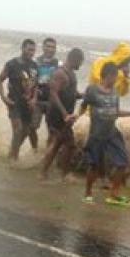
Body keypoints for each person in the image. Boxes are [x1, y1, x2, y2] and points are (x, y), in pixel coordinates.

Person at [79, 62, 130, 206]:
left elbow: (115, 111)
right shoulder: (92, 90)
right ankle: (88, 193)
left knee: (123, 161)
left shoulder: (114, 91)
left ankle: (114, 194)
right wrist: (76, 117)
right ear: (108, 75)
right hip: (97, 133)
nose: (116, 79)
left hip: (112, 132)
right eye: (115, 76)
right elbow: (84, 106)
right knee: (94, 165)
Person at [39, 48, 84, 181]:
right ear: (74, 59)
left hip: (65, 116)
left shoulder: (71, 74)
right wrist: (65, 114)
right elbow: (53, 94)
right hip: (57, 115)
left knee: (64, 144)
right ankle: (47, 173)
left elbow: (71, 93)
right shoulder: (60, 73)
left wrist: (84, 95)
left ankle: (58, 173)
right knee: (59, 143)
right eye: (80, 62)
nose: (80, 65)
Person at [0, 39, 39, 160]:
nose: (32, 52)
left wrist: (34, 98)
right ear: (22, 48)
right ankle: (13, 158)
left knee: (26, 131)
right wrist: (3, 97)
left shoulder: (34, 66)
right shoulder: (12, 64)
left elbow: (36, 85)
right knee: (18, 129)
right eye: (29, 49)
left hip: (28, 104)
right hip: (14, 102)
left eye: (34, 50)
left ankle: (12, 152)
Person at [33, 37, 59, 147]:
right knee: (31, 127)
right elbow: (32, 80)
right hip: (37, 100)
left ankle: (47, 152)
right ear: (43, 47)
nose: (50, 49)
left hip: (52, 101)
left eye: (53, 47)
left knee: (52, 130)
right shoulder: (36, 62)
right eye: (48, 46)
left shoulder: (59, 64)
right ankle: (35, 148)